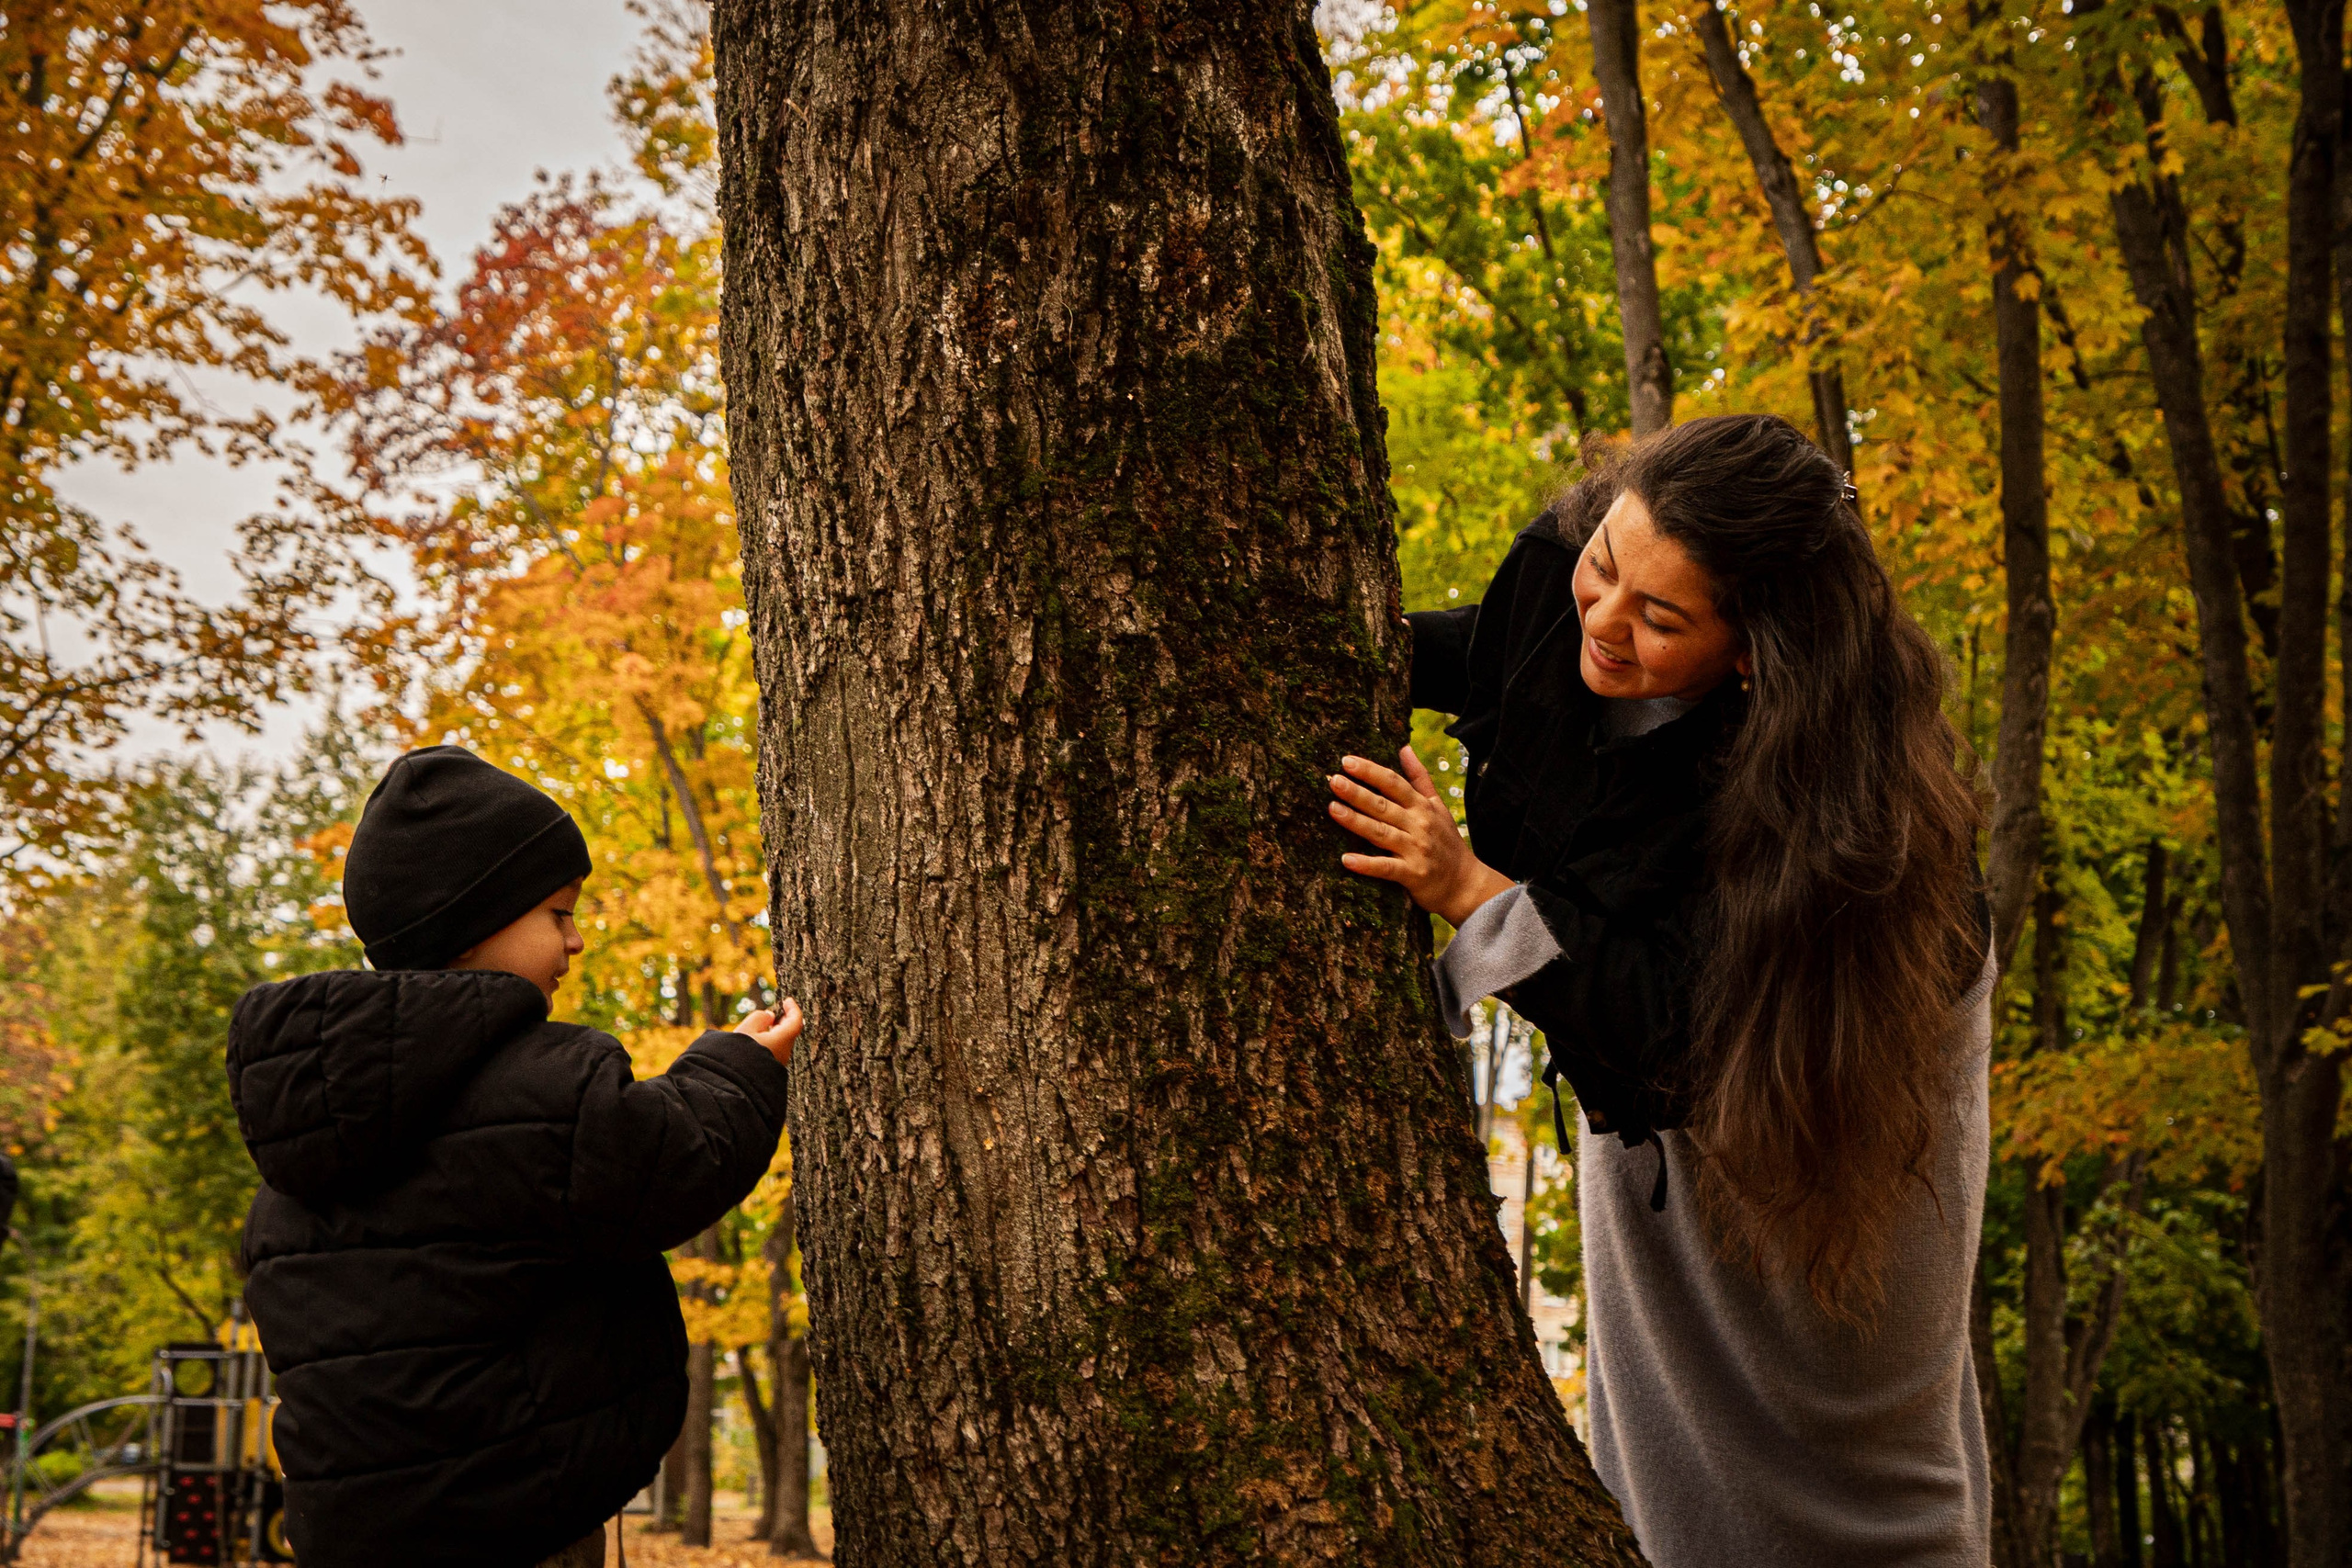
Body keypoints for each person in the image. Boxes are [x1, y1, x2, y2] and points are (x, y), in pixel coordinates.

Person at [1328, 414, 1994, 1567]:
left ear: (1753, 654)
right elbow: (1499, 663)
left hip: (1814, 1121)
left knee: (1845, 1453)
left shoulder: (1856, 836)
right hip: (1646, 1139)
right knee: (1667, 1492)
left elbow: (1686, 1024)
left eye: (1659, 618)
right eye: (1602, 569)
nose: (1601, 623)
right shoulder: (1571, 601)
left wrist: (1474, 894)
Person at [228, 746, 802, 1568]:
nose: (575, 941)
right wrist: (738, 1065)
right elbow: (671, 1164)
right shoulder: (541, 1085)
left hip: (352, 1533)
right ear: (472, 926)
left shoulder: (304, 1144)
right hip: (513, 1521)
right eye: (557, 914)